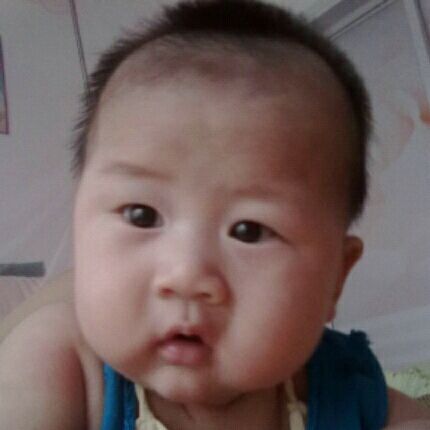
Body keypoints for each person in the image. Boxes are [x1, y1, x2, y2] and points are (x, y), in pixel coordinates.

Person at [1, 0, 429, 428]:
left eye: (249, 230)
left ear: (336, 276)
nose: (186, 275)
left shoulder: (352, 392)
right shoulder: (61, 362)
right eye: (142, 215)